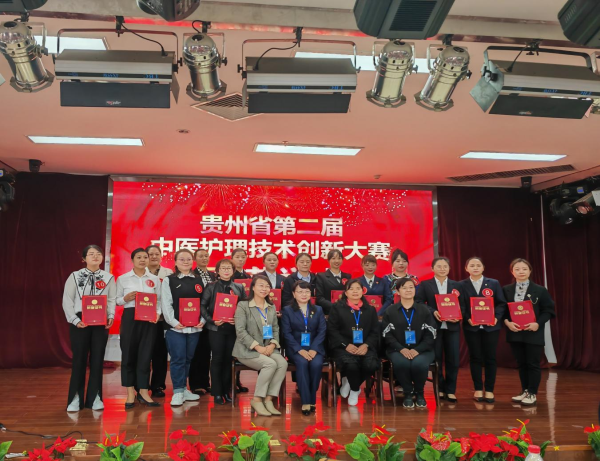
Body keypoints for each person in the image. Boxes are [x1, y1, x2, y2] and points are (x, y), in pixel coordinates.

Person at [63, 245, 116, 412]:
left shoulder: (108, 277)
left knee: (97, 359)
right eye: (91, 254)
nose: (95, 256)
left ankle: (95, 397)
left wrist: (111, 315)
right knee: (79, 359)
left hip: (100, 321)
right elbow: (67, 299)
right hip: (80, 321)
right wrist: (74, 319)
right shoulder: (74, 276)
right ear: (84, 258)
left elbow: (112, 299)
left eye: (98, 254)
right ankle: (75, 398)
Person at [503, 258, 556, 407]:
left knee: (533, 363)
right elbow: (502, 310)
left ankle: (532, 393)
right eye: (517, 269)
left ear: (530, 271)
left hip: (533, 332)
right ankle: (525, 390)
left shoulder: (540, 290)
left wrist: (537, 324)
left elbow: (548, 311)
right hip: (515, 332)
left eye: (524, 269)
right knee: (521, 363)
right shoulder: (506, 289)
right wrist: (507, 322)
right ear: (512, 272)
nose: (521, 272)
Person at [233, 275, 288, 416]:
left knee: (282, 363)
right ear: (253, 287)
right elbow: (240, 331)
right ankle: (257, 400)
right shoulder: (243, 305)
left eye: (267, 286)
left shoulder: (271, 306)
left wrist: (272, 345)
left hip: (268, 347)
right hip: (247, 349)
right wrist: (258, 347)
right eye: (261, 285)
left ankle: (268, 399)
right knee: (270, 364)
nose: (264, 289)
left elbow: (275, 329)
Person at [116, 248, 161, 409]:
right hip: (130, 319)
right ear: (132, 260)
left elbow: (159, 300)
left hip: (148, 320)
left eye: (145, 257)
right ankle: (130, 392)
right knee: (128, 355)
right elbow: (116, 300)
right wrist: (125, 298)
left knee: (145, 355)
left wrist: (157, 314)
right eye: (139, 257)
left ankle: (143, 391)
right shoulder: (123, 279)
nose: (142, 260)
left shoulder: (154, 279)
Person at [460, 256, 507, 403]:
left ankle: (490, 390)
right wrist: (467, 318)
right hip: (471, 327)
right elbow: (461, 305)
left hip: (491, 327)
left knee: (490, 358)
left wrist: (496, 318)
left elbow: (501, 303)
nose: (475, 268)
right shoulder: (461, 285)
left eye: (478, 265)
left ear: (483, 268)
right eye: (472, 265)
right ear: (466, 268)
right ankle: (478, 389)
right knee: (475, 357)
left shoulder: (493, 283)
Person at [415, 257, 462, 403]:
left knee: (453, 359)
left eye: (445, 266)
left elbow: (464, 304)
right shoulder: (425, 284)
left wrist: (458, 315)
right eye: (439, 266)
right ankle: (440, 388)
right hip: (434, 326)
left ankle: (451, 390)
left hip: (452, 326)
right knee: (436, 358)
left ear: (449, 269)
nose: (442, 269)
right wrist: (432, 311)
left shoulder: (457, 285)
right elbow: (419, 302)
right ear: (432, 269)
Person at [383, 277, 436, 408]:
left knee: (419, 364)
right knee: (402, 363)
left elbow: (431, 334)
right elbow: (386, 334)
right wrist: (401, 349)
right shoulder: (390, 311)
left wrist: (417, 350)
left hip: (422, 350)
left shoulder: (424, 310)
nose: (408, 290)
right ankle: (407, 393)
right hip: (397, 349)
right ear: (397, 291)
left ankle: (419, 393)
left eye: (411, 287)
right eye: (404, 288)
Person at [161, 249, 205, 407]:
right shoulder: (169, 280)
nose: (186, 262)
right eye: (182, 259)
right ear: (175, 262)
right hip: (176, 328)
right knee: (178, 359)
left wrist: (202, 320)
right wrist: (173, 322)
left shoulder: (199, 279)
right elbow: (166, 303)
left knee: (188, 358)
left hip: (195, 328)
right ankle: (178, 391)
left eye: (188, 259)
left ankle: (184, 389)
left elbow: (204, 302)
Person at [327, 279, 380, 406]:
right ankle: (355, 390)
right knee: (351, 365)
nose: (355, 291)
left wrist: (366, 345)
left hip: (364, 346)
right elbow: (332, 330)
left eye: (358, 288)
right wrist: (345, 345)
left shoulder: (370, 310)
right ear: (346, 292)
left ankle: (350, 384)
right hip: (343, 346)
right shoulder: (337, 308)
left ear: (363, 291)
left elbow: (375, 331)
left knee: (371, 365)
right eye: (351, 289)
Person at [201, 259, 246, 405]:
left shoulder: (239, 287)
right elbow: (203, 306)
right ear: (218, 271)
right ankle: (217, 393)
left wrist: (237, 320)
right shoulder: (211, 286)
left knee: (229, 360)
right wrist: (212, 320)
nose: (226, 270)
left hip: (232, 329)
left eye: (229, 268)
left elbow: (244, 307)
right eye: (223, 268)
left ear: (233, 271)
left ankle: (227, 391)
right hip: (216, 329)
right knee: (217, 359)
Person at [281, 280, 327, 415]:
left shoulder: (318, 309)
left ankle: (312, 398)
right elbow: (286, 333)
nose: (304, 294)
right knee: (302, 363)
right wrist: (299, 350)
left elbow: (322, 331)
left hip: (315, 347)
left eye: (307, 291)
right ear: (294, 294)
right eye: (300, 291)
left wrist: (314, 349)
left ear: (311, 294)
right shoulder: (287, 310)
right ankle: (306, 401)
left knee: (316, 364)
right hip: (296, 348)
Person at [146, 244, 174, 398]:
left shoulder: (168, 273)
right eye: (151, 254)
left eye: (157, 254)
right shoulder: (140, 272)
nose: (154, 257)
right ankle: (142, 386)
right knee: (144, 353)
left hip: (163, 319)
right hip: (144, 319)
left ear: (161, 256)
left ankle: (158, 386)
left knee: (160, 354)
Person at [189, 248, 216, 396]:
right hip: (196, 318)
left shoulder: (213, 275)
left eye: (206, 256)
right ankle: (196, 384)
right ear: (195, 259)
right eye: (201, 256)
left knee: (207, 352)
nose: (204, 258)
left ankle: (206, 382)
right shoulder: (192, 274)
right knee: (196, 352)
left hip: (211, 319)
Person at [230, 248, 251, 393]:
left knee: (239, 350)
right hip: (229, 316)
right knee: (230, 352)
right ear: (232, 258)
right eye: (237, 257)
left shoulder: (248, 276)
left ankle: (237, 381)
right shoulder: (229, 275)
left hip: (243, 316)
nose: (240, 259)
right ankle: (230, 382)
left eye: (243, 257)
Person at [315, 249, 352, 315]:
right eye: (333, 258)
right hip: (328, 313)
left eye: (339, 258)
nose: (336, 261)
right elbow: (319, 298)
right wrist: (335, 306)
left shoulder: (347, 276)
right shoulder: (321, 276)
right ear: (328, 260)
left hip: (346, 313)